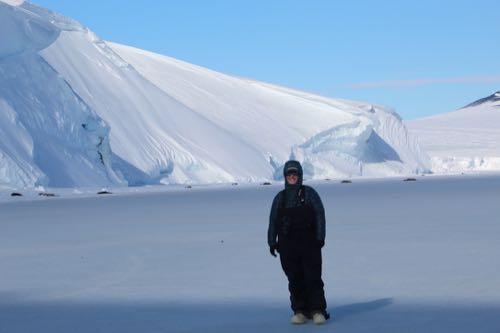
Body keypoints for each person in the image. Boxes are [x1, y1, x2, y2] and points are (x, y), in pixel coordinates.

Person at [268, 160, 329, 325]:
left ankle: (317, 310)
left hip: (310, 245)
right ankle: (300, 310)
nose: (292, 176)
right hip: (288, 247)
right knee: (294, 279)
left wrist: (320, 238)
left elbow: (319, 215)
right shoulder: (280, 198)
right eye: (289, 174)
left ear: (300, 175)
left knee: (313, 277)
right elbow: (273, 221)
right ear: (285, 176)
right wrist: (272, 242)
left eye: (295, 174)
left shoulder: (309, 194)